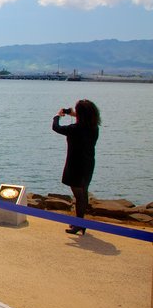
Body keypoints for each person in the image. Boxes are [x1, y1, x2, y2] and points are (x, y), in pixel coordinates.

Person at [52, 99, 101, 235]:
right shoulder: (93, 126)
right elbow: (83, 118)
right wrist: (70, 113)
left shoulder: (75, 129)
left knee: (78, 195)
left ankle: (79, 224)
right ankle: (81, 222)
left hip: (75, 164)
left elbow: (56, 127)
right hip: (88, 163)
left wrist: (57, 116)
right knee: (83, 192)